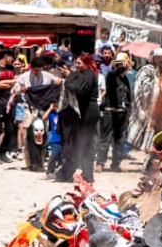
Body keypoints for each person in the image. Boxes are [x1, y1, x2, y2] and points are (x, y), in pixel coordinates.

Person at [56, 54, 100, 182]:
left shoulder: (89, 75)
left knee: (84, 145)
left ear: (87, 64)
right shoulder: (84, 74)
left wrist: (70, 76)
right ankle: (77, 174)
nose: (77, 65)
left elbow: (79, 89)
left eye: (79, 63)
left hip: (88, 113)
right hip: (84, 113)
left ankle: (80, 175)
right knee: (81, 144)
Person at [96, 52, 133, 172]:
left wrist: (129, 112)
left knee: (120, 140)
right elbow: (114, 73)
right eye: (121, 66)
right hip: (110, 113)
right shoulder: (111, 76)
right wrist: (122, 66)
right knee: (105, 139)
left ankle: (116, 164)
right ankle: (100, 163)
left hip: (122, 114)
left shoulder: (126, 80)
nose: (124, 68)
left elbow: (128, 97)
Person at [128, 47, 162, 150]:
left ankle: (149, 159)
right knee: (140, 132)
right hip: (145, 107)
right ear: (153, 58)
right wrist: (140, 109)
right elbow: (138, 89)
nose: (160, 60)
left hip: (158, 109)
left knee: (154, 137)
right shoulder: (146, 70)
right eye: (158, 57)